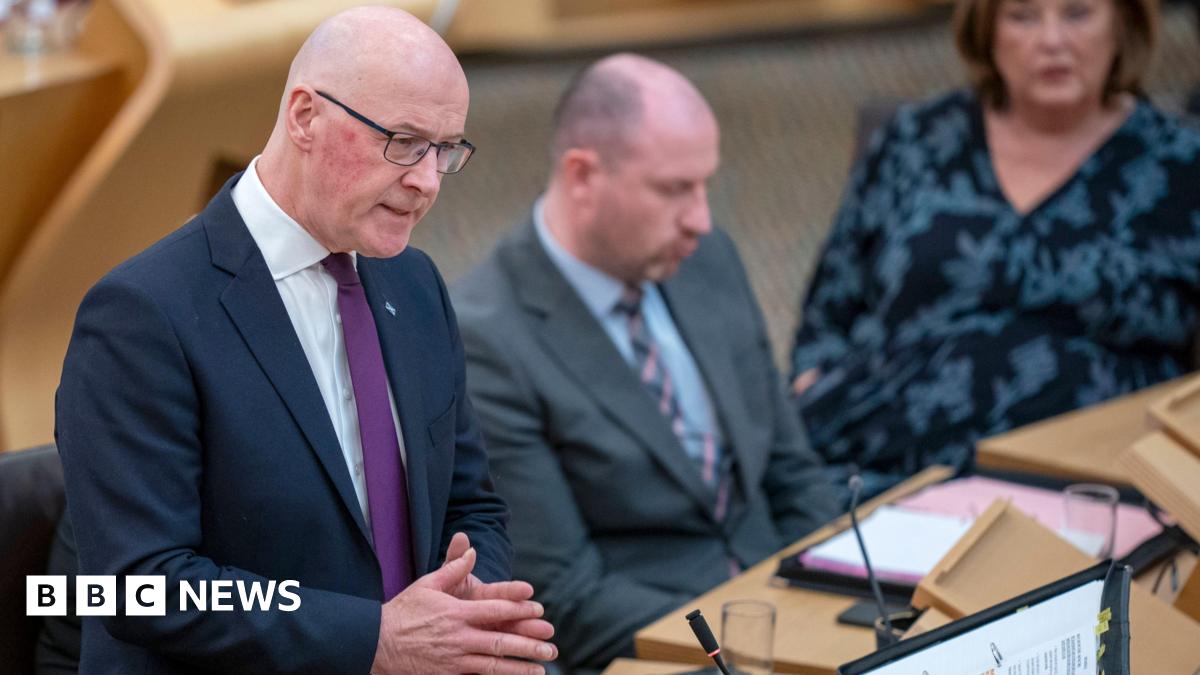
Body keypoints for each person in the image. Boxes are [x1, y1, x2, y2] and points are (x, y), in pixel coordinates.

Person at [55, 8, 556, 674]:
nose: (427, 181)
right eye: (403, 141)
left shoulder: (414, 284)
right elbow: (142, 586)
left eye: (446, 150)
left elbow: (471, 502)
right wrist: (372, 638)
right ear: (304, 117)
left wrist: (471, 602)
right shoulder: (143, 315)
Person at [452, 53, 839, 671]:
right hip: (663, 647)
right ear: (583, 176)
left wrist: (840, 599)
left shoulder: (706, 259)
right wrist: (755, 639)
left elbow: (791, 472)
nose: (701, 219)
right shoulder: (487, 337)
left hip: (795, 609)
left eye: (706, 184)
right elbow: (565, 598)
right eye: (673, 189)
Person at [791, 0, 1200, 502]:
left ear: (1123, 24)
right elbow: (826, 313)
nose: (1051, 40)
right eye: (1022, 16)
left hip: (1085, 494)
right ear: (986, 30)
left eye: (1077, 14)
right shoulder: (915, 141)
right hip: (876, 469)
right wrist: (814, 388)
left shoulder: (1182, 167)